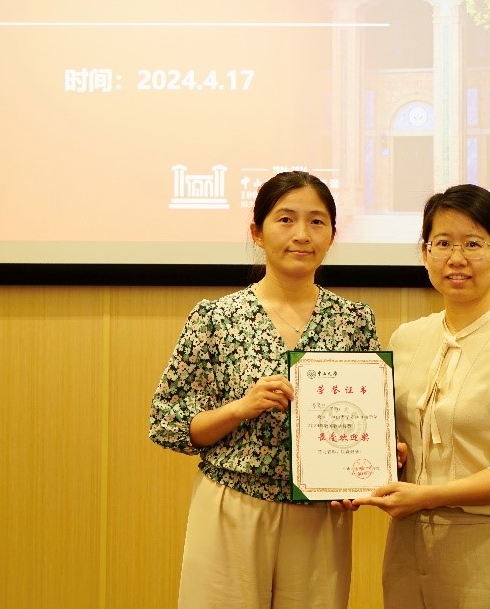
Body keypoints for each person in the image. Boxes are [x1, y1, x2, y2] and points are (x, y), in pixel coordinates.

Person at [149, 171, 378, 609]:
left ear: (332, 235)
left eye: (316, 222)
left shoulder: (355, 320)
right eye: (285, 219)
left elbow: (366, 411)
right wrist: (241, 407)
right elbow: (168, 424)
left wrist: (376, 458)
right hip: (233, 504)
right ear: (257, 232)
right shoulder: (216, 317)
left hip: (318, 516)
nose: (302, 234)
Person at [353, 183, 490, 609]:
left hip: (486, 549)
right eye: (443, 243)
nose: (456, 258)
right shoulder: (407, 338)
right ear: (425, 252)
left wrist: (429, 496)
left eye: (473, 244)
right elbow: (395, 435)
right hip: (407, 545)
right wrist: (382, 457)